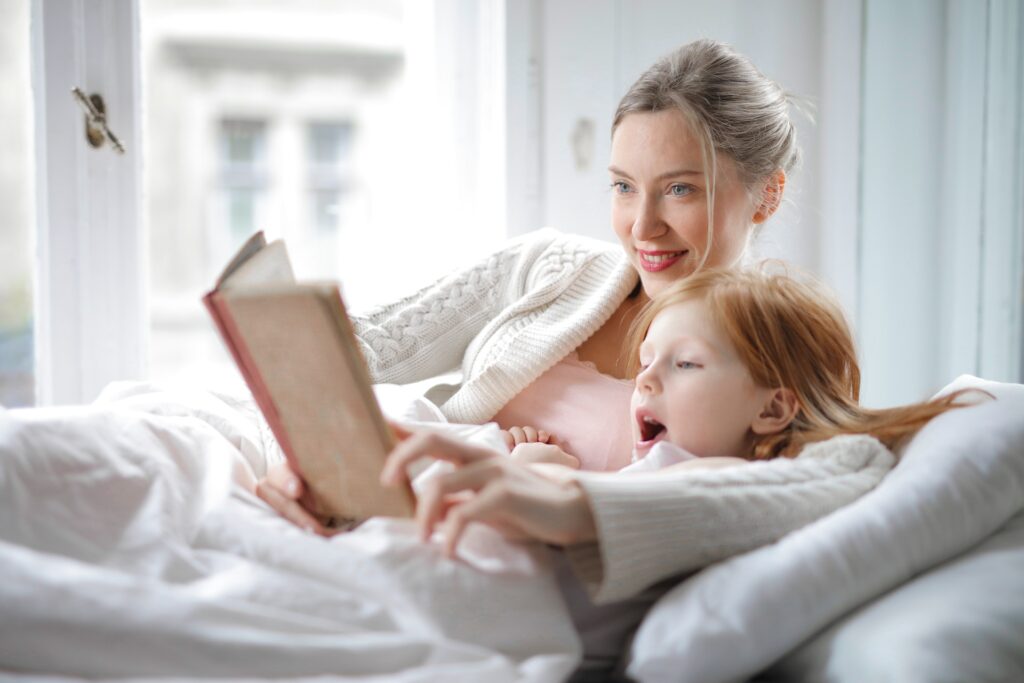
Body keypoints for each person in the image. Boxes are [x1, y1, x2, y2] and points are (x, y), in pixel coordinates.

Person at [257, 38, 801, 529]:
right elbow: (356, 357)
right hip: (392, 514)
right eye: (623, 187)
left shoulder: (774, 362)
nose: (641, 227)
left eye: (680, 189)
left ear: (767, 195)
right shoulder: (549, 266)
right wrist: (309, 464)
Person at [380, 266, 974, 669]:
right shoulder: (667, 469)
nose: (644, 379)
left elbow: (853, 461)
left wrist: (547, 482)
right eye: (646, 361)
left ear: (773, 407)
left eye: (685, 364)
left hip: (455, 599)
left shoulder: (728, 479)